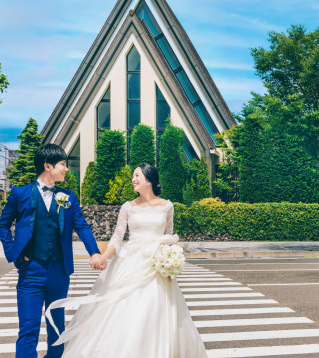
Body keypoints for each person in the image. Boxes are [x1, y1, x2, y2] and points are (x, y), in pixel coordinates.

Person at [46, 162, 207, 357]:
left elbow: (169, 236)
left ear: (149, 180)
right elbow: (117, 237)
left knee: (156, 312)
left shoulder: (167, 206)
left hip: (156, 267)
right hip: (131, 262)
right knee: (124, 310)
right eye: (133, 175)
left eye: (137, 176)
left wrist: (171, 260)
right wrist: (102, 257)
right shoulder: (128, 207)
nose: (133, 179)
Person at [0, 143, 106, 358]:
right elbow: (3, 224)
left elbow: (82, 225)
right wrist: (13, 253)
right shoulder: (20, 194)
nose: (66, 169)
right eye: (63, 164)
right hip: (31, 271)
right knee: (28, 329)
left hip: (59, 271)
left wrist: (94, 252)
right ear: (48, 166)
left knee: (57, 328)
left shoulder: (68, 196)